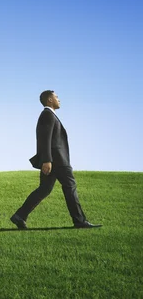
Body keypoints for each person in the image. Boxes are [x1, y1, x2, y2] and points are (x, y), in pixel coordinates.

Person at [10, 90, 102, 229]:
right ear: (49, 100)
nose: (59, 99)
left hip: (54, 160)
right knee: (70, 187)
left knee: (44, 189)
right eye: (56, 97)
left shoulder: (50, 115)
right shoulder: (47, 114)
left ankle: (19, 216)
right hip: (57, 160)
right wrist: (47, 160)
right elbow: (44, 138)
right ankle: (79, 221)